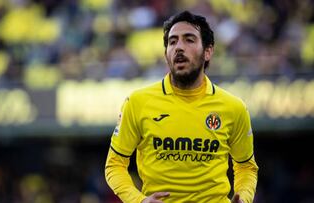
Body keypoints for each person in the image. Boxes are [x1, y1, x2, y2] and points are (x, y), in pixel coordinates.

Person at [105, 10, 258, 203]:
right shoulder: (137, 102)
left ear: (208, 51)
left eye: (189, 40)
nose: (179, 47)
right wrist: (139, 200)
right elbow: (115, 164)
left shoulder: (233, 107)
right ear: (166, 53)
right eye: (172, 41)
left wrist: (244, 198)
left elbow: (246, 166)